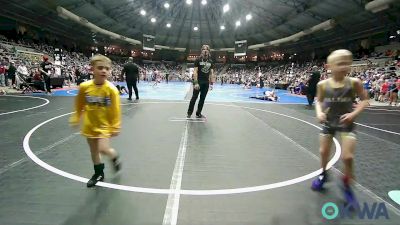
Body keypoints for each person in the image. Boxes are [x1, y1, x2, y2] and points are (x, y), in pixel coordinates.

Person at [311, 49, 369, 205]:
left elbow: (364, 100)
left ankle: (347, 186)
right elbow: (318, 101)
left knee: (348, 157)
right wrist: (319, 113)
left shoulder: (354, 82)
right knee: (323, 152)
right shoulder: (322, 84)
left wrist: (353, 114)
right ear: (329, 66)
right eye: (340, 63)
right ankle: (323, 174)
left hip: (346, 124)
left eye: (347, 63)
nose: (344, 66)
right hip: (329, 123)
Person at [69, 54, 122, 188]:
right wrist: (76, 117)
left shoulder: (111, 90)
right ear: (92, 69)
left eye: (107, 68)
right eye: (100, 68)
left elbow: (115, 110)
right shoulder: (84, 87)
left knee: (103, 149)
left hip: (104, 126)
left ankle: (114, 156)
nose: (104, 70)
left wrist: (115, 126)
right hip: (89, 125)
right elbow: (79, 104)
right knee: (94, 151)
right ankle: (98, 174)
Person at [187, 44, 215, 118]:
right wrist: (195, 82)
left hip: (206, 83)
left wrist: (211, 83)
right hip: (198, 81)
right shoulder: (198, 60)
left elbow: (211, 73)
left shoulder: (211, 61)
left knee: (202, 99)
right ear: (201, 51)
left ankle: (198, 113)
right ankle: (189, 113)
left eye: (207, 49)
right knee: (194, 98)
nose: (205, 51)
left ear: (209, 51)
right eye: (203, 49)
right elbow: (195, 72)